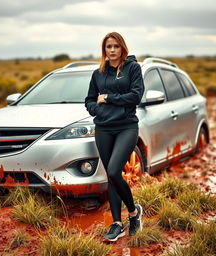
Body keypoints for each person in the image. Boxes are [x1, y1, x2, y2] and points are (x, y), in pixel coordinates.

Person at [85, 32, 144, 242]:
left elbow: (136, 96)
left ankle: (134, 212)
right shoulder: (98, 73)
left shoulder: (132, 68)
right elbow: (89, 100)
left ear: (122, 49)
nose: (112, 50)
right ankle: (117, 223)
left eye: (115, 46)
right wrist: (98, 110)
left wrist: (109, 98)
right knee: (111, 176)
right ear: (104, 50)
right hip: (103, 128)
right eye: (108, 46)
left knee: (113, 169)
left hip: (126, 127)